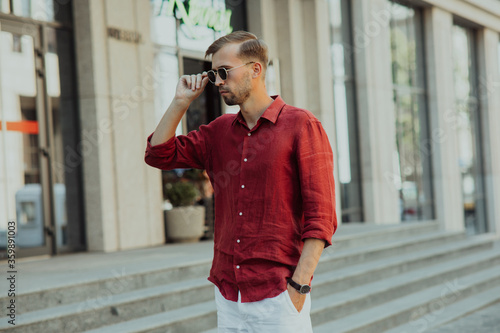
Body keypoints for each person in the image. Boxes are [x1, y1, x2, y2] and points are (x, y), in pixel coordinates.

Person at [144, 31, 337, 332]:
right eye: (213, 73)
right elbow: (158, 155)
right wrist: (180, 102)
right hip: (228, 296)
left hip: (278, 298)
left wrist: (298, 288)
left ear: (254, 69)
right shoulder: (217, 132)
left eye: (224, 72)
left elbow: (321, 217)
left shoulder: (301, 126)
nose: (218, 81)